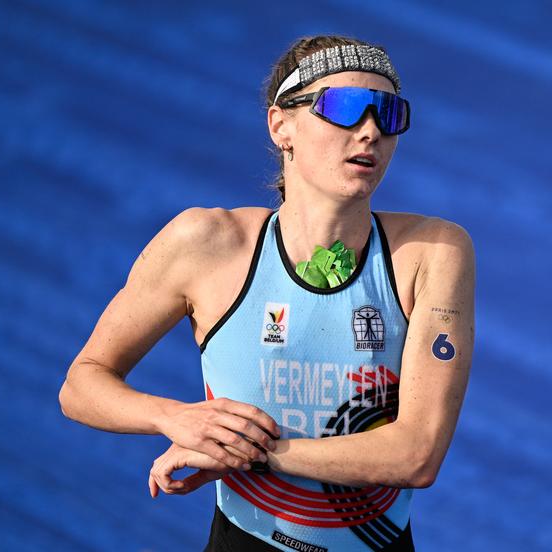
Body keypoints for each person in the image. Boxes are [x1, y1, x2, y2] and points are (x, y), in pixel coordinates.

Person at [59, 35, 475, 552]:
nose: (370, 131)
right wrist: (175, 418)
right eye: (345, 108)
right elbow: (81, 384)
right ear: (282, 126)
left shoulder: (433, 251)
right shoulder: (206, 243)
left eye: (388, 114)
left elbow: (417, 455)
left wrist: (245, 451)